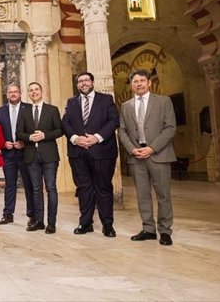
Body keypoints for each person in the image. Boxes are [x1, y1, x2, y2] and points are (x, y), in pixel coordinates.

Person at [118, 69, 176, 246]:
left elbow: (170, 128)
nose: (139, 84)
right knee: (142, 195)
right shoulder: (126, 106)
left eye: (142, 80)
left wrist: (152, 148)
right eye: (135, 81)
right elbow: (122, 131)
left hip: (159, 154)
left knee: (163, 194)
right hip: (136, 156)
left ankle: (165, 231)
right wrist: (132, 149)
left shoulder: (163, 101)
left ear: (149, 82)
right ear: (131, 85)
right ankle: (148, 229)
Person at [62, 72, 120, 237]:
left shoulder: (106, 99)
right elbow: (65, 123)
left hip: (102, 152)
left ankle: (107, 225)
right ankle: (85, 223)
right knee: (83, 189)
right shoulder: (71, 102)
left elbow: (113, 121)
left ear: (92, 82)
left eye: (86, 80)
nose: (83, 83)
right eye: (80, 81)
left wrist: (97, 137)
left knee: (103, 188)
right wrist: (75, 138)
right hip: (78, 153)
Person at [16, 82, 63, 234]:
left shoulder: (52, 110)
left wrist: (44, 136)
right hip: (31, 156)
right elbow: (19, 133)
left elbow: (60, 130)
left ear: (41, 91)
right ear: (28, 94)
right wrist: (30, 137)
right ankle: (39, 221)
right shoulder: (24, 112)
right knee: (36, 190)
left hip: (49, 155)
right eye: (31, 90)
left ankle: (51, 223)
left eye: (36, 89)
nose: (34, 92)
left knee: (51, 188)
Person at [0, 84, 34, 226]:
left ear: (20, 93)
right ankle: (8, 214)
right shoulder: (0, 111)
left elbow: (33, 129)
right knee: (9, 185)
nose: (13, 94)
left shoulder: (29, 108)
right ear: (6, 94)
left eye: (15, 91)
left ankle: (32, 215)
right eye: (10, 92)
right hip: (8, 154)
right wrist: (3, 143)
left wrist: (25, 141)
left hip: (26, 152)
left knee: (29, 184)